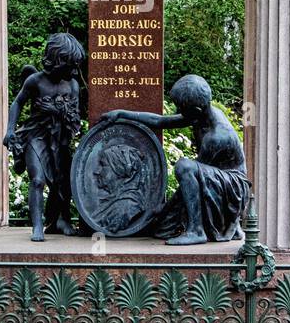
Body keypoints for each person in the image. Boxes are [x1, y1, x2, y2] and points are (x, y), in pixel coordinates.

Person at [100, 75, 250, 245]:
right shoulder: (202, 115)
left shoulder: (216, 138)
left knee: (184, 166)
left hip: (233, 187)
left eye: (180, 108)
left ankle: (196, 230)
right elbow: (160, 121)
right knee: (160, 229)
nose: (177, 112)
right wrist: (122, 114)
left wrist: (161, 210)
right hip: (217, 179)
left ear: (195, 111)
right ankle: (228, 226)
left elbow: (195, 181)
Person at [4, 32, 85, 242]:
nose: (75, 70)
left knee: (63, 183)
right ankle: (37, 226)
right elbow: (18, 102)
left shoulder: (73, 85)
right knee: (37, 179)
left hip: (60, 139)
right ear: (57, 60)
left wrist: (63, 113)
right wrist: (10, 130)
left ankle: (61, 220)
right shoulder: (35, 81)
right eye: (71, 65)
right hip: (36, 137)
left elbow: (75, 115)